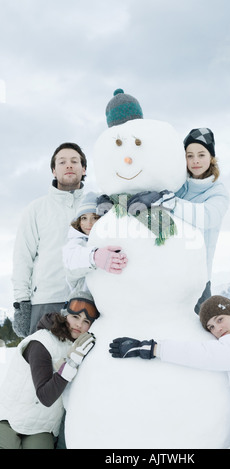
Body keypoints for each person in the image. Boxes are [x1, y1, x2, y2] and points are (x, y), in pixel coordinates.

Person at [109, 295, 230, 449]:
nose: (217, 329)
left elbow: (207, 355)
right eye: (211, 327)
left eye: (220, 319)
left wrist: (154, 348)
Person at [0, 289, 99, 449]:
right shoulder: (41, 342)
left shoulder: (76, 346)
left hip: (41, 426)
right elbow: (45, 396)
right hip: (9, 419)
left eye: (86, 321)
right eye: (75, 317)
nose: (79, 324)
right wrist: (71, 364)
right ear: (64, 314)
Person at [12, 142, 87, 338]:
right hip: (46, 299)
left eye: (74, 161)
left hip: (86, 300)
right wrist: (22, 303)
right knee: (41, 363)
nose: (69, 165)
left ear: (84, 168)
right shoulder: (36, 209)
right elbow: (22, 257)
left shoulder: (95, 205)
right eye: (62, 162)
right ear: (54, 170)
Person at [172, 128, 229, 313]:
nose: (195, 160)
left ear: (211, 157)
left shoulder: (217, 191)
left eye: (201, 154)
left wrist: (170, 203)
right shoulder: (177, 186)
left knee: (203, 328)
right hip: (170, 268)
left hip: (198, 275)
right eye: (190, 155)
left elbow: (207, 217)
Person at [62, 191, 128, 293]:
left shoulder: (109, 238)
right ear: (78, 221)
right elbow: (70, 260)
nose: (88, 223)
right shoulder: (76, 242)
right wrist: (94, 256)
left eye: (95, 218)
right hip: (83, 302)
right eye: (84, 218)